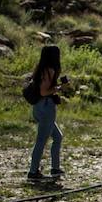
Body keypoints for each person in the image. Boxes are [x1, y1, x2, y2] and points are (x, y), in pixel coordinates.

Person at [27, 45, 67, 180]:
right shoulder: (49, 71)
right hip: (46, 107)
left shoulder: (40, 69)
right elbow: (44, 92)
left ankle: (55, 168)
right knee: (41, 141)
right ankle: (33, 172)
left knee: (58, 137)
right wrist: (59, 88)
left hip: (39, 107)